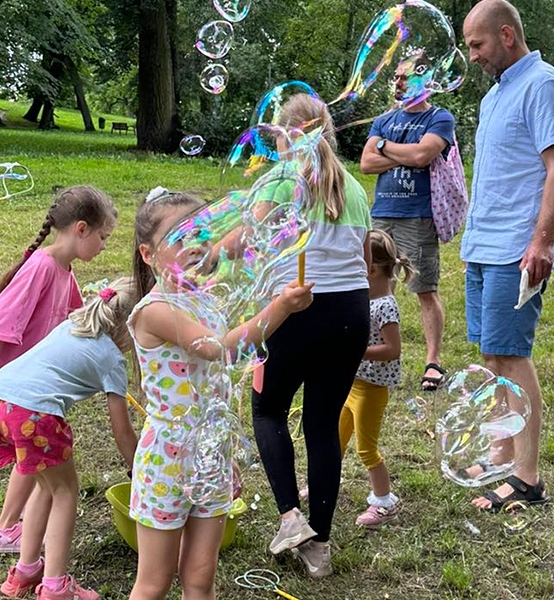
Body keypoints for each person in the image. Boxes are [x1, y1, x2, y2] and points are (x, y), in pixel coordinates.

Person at [128, 190, 314, 599]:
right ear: (147, 253)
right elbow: (217, 348)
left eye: (201, 233)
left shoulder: (206, 300)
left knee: (200, 577)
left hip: (210, 451)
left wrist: (226, 456)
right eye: (178, 238)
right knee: (154, 583)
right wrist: (280, 307)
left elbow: (220, 381)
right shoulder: (154, 310)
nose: (194, 245)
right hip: (167, 459)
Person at [248, 94, 371, 579]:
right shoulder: (355, 188)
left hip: (295, 311)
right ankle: (318, 544)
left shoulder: (281, 180)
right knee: (322, 426)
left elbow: (248, 238)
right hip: (350, 314)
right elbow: (361, 255)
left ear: (286, 134)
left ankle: (290, 517)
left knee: (268, 409)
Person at [460, 0, 554, 511]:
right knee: (490, 354)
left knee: (511, 357)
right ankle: (500, 454)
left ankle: (527, 478)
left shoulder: (544, 83)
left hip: (517, 250)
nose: (473, 56)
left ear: (506, 35)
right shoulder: (494, 96)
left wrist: (542, 241)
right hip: (483, 246)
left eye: (477, 45)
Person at [0, 185, 117, 553]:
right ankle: (5, 529)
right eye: (103, 236)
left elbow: (78, 319)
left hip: (27, 384)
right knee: (33, 455)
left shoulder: (65, 270)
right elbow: (2, 321)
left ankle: (10, 526)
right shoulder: (42, 267)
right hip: (5, 376)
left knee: (33, 454)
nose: (104, 245)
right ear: (81, 229)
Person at [0, 277, 138, 600]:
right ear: (129, 328)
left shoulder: (72, 326)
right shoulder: (113, 360)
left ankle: (25, 571)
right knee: (66, 490)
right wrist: (140, 472)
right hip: (32, 415)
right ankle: (55, 588)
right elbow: (122, 432)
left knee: (45, 485)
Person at [360, 51, 456, 392]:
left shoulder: (440, 118)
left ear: (424, 81)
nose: (397, 82)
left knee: (424, 289)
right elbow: (366, 164)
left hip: (418, 214)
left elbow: (422, 156)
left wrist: (386, 147)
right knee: (374, 285)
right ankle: (375, 352)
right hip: (382, 212)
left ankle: (433, 362)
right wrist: (398, 150)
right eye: (396, 77)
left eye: (404, 77)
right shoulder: (385, 120)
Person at [338, 229, 414, 528]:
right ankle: (326, 481)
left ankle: (384, 503)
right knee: (335, 438)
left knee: (366, 448)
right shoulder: (362, 300)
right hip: (350, 383)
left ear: (369, 268)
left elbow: (393, 349)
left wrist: (357, 352)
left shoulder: (385, 305)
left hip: (371, 388)